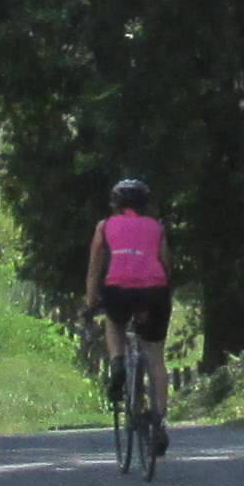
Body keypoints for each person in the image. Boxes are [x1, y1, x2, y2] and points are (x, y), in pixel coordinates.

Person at [86, 178, 173, 447]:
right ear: (146, 203)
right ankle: (158, 421)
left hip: (118, 289)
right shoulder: (156, 227)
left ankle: (118, 362)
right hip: (153, 291)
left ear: (115, 203)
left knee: (115, 324)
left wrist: (91, 300)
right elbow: (166, 263)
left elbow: (94, 267)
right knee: (156, 358)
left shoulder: (105, 226)